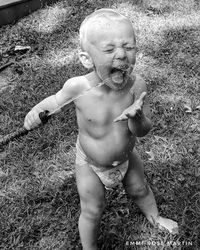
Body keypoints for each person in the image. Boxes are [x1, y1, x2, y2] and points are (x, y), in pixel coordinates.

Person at [24, 8, 178, 250]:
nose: (122, 55)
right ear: (87, 59)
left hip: (127, 157)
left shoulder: (137, 87)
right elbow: (54, 101)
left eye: (129, 47)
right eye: (109, 50)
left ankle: (155, 217)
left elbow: (142, 130)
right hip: (90, 164)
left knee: (140, 188)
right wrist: (35, 113)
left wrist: (136, 117)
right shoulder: (78, 87)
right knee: (93, 209)